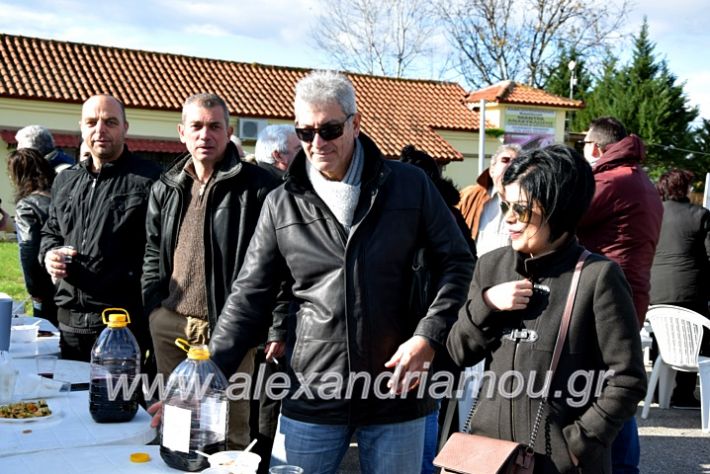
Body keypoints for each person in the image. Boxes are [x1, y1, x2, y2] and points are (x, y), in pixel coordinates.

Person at [207, 70, 474, 473]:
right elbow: (249, 295)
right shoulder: (281, 203)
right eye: (306, 131)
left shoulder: (410, 185)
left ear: (355, 122)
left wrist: (429, 336)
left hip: (397, 391)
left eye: (329, 129)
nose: (317, 143)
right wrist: (206, 373)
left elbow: (458, 263)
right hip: (312, 392)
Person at [447, 144, 647, 473]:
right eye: (505, 205)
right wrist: (486, 305)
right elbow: (457, 353)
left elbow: (627, 379)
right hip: (488, 455)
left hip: (560, 462)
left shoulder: (598, 277)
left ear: (558, 210)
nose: (509, 217)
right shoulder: (491, 266)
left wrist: (579, 443)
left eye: (521, 209)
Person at [142, 93, 279, 452]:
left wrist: (268, 325)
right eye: (197, 126)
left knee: (230, 432)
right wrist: (154, 307)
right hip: (170, 323)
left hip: (226, 328)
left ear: (229, 132)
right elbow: (153, 253)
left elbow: (277, 265)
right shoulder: (166, 187)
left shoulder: (259, 188)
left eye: (215, 126)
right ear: (182, 133)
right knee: (175, 425)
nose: (206, 134)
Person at [40, 94, 161, 362]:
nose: (100, 130)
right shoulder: (66, 180)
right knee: (69, 402)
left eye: (110, 122)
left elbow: (163, 253)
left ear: (125, 128)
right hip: (69, 322)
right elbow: (51, 232)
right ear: (81, 127)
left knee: (118, 403)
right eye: (92, 122)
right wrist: (49, 255)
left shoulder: (150, 181)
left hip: (122, 327)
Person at [576, 116, 662, 474]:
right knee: (616, 378)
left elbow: (563, 217)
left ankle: (622, 466)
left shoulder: (610, 181)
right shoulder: (640, 179)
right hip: (631, 290)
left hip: (607, 294)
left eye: (583, 148)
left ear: (596, 148)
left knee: (607, 382)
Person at [399, 144, 476, 474]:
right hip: (446, 326)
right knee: (442, 411)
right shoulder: (451, 211)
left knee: (425, 413)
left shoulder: (421, 212)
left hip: (426, 328)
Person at [650, 169, 710, 408]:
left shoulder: (652, 214)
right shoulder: (700, 215)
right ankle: (683, 393)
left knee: (659, 338)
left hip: (655, 293)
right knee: (697, 340)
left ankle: (656, 392)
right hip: (692, 291)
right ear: (685, 189)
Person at [7, 148, 57, 325]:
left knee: (47, 336)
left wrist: (34, 289)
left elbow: (28, 248)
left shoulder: (27, 205)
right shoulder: (62, 195)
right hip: (69, 276)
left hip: (44, 283)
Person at [458, 144, 521, 255]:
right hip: (473, 270)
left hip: (510, 271)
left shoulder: (529, 203)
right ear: (492, 169)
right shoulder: (469, 196)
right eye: (505, 160)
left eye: (516, 163)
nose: (510, 165)